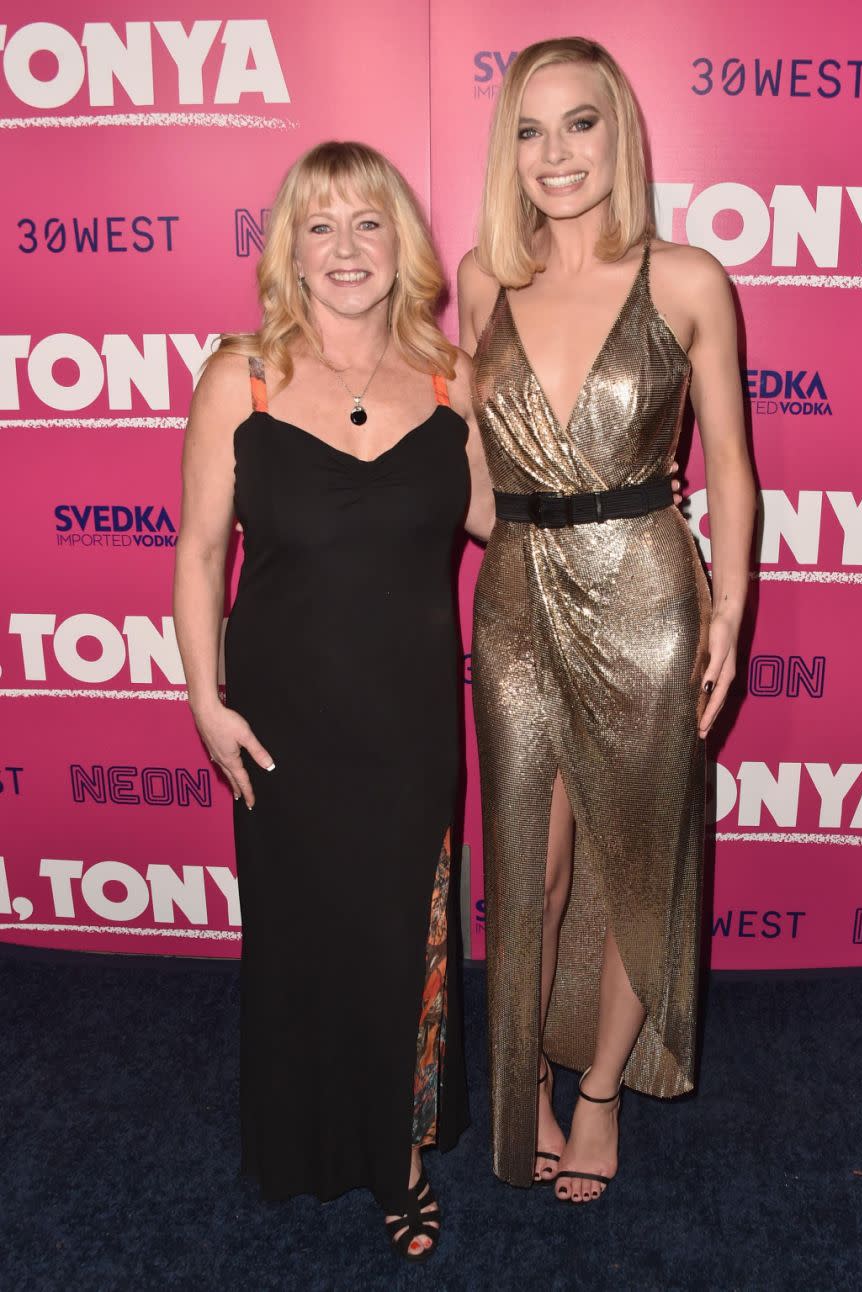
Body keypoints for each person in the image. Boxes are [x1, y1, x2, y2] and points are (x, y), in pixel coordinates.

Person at [173, 140, 493, 1261]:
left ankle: (398, 1156)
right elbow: (201, 545)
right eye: (321, 226)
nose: (346, 248)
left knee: (408, 935)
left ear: (400, 244)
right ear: (289, 251)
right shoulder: (242, 375)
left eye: (369, 224)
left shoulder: (455, 380)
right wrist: (207, 703)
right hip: (281, 721)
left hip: (409, 725)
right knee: (302, 938)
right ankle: (307, 1138)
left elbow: (512, 527)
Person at [458, 37, 756, 1203]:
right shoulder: (483, 279)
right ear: (509, 151)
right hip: (520, 592)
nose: (556, 154)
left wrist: (725, 601)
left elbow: (730, 465)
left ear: (618, 133)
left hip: (645, 589)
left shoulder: (686, 279)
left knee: (642, 857)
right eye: (531, 131)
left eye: (579, 124)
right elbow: (476, 478)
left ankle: (596, 1093)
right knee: (531, 858)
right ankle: (523, 1073)